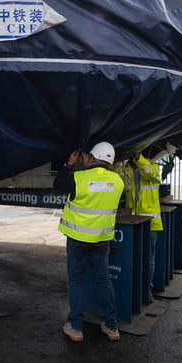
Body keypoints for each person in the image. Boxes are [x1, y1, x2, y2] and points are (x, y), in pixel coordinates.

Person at [54, 141, 125, 342]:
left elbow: (58, 184)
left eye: (87, 157)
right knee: (104, 280)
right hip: (101, 240)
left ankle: (76, 327)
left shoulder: (78, 178)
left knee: (76, 281)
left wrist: (69, 164)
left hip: (77, 239)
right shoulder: (117, 181)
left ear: (91, 158)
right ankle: (112, 327)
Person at [116, 150, 163, 298]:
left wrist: (138, 158)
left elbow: (150, 174)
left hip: (149, 221)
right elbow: (119, 181)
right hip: (133, 221)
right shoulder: (128, 170)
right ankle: (134, 289)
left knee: (148, 258)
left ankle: (147, 290)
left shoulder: (153, 167)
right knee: (132, 257)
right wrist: (117, 161)